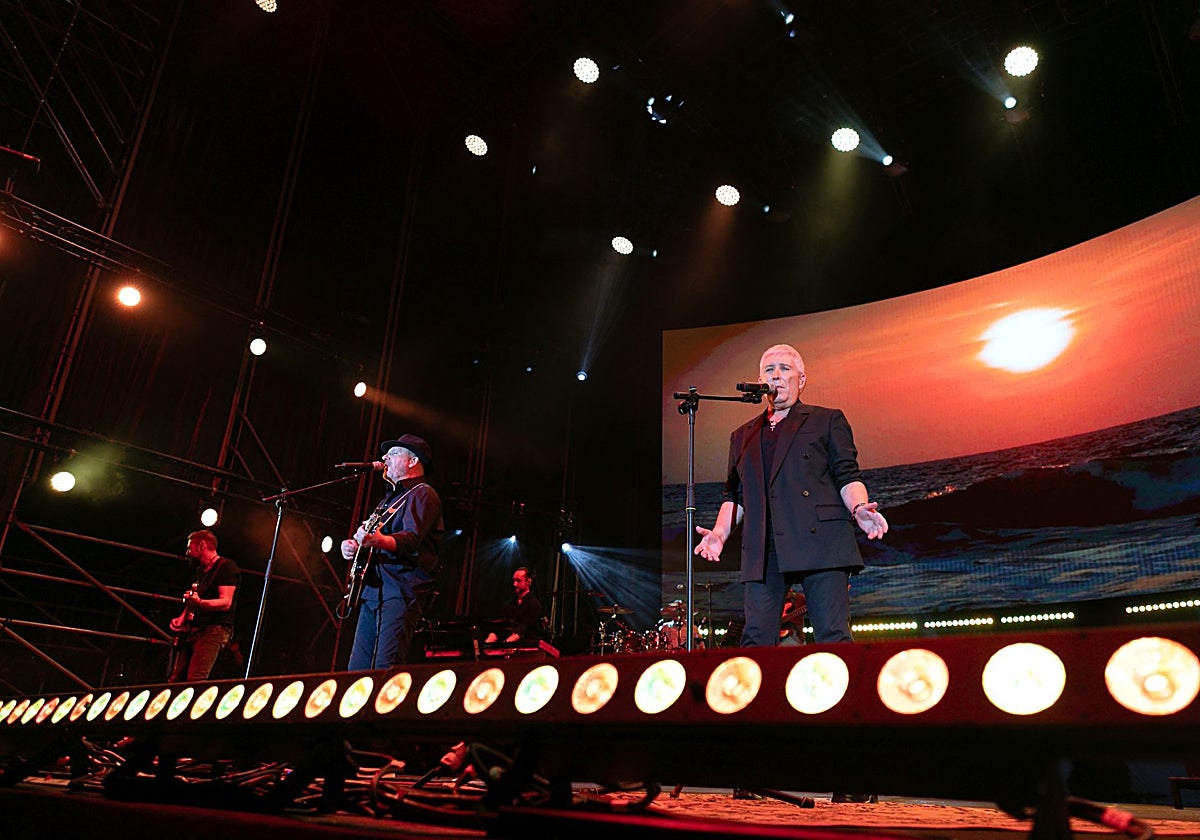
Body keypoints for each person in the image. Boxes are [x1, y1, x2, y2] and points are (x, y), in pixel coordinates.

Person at [694, 344, 887, 646]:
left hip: (820, 539)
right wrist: (719, 535)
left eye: (785, 369)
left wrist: (859, 508)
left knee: (832, 637)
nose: (777, 375)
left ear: (801, 380)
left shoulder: (826, 420)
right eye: (770, 370)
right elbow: (735, 495)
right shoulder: (742, 436)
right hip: (764, 547)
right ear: (760, 381)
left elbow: (847, 475)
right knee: (756, 640)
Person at [342, 434, 443, 670]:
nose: (385, 457)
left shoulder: (423, 493)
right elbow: (373, 537)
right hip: (373, 591)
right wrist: (354, 546)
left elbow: (411, 539)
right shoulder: (388, 500)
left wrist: (378, 540)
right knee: (356, 669)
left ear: (412, 461)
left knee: (385, 668)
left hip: (401, 589)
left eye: (394, 453)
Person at [168, 529, 239, 682]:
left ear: (201, 545)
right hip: (194, 629)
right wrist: (182, 617)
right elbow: (197, 598)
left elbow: (225, 602)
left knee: (196, 678)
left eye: (189, 548)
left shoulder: (226, 567)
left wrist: (199, 602)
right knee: (176, 679)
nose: (187, 552)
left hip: (214, 629)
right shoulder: (202, 571)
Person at [484, 566, 545, 645]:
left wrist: (505, 644)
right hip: (510, 643)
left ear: (528, 582)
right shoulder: (509, 605)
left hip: (526, 646)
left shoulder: (534, 604)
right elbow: (502, 628)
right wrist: (486, 645)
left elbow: (523, 630)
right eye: (514, 581)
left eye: (518, 581)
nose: (514, 584)